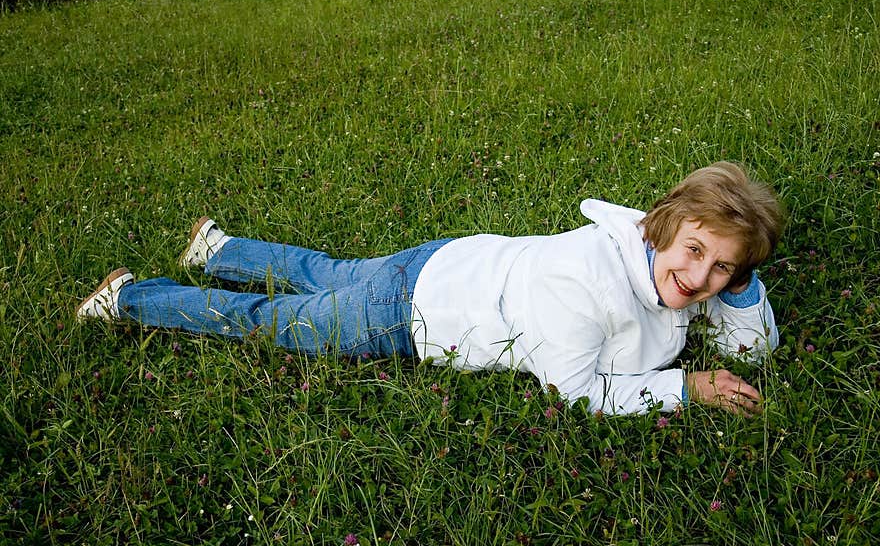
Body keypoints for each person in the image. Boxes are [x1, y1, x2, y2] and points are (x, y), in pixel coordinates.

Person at [76, 160, 784, 417]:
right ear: (664, 223)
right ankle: (131, 297)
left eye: (725, 268)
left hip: (447, 262)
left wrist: (740, 281)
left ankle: (218, 246)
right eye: (695, 251)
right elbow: (577, 393)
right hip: (412, 311)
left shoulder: (664, 252)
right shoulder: (585, 281)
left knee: (328, 271)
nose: (700, 280)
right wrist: (687, 388)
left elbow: (748, 348)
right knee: (275, 320)